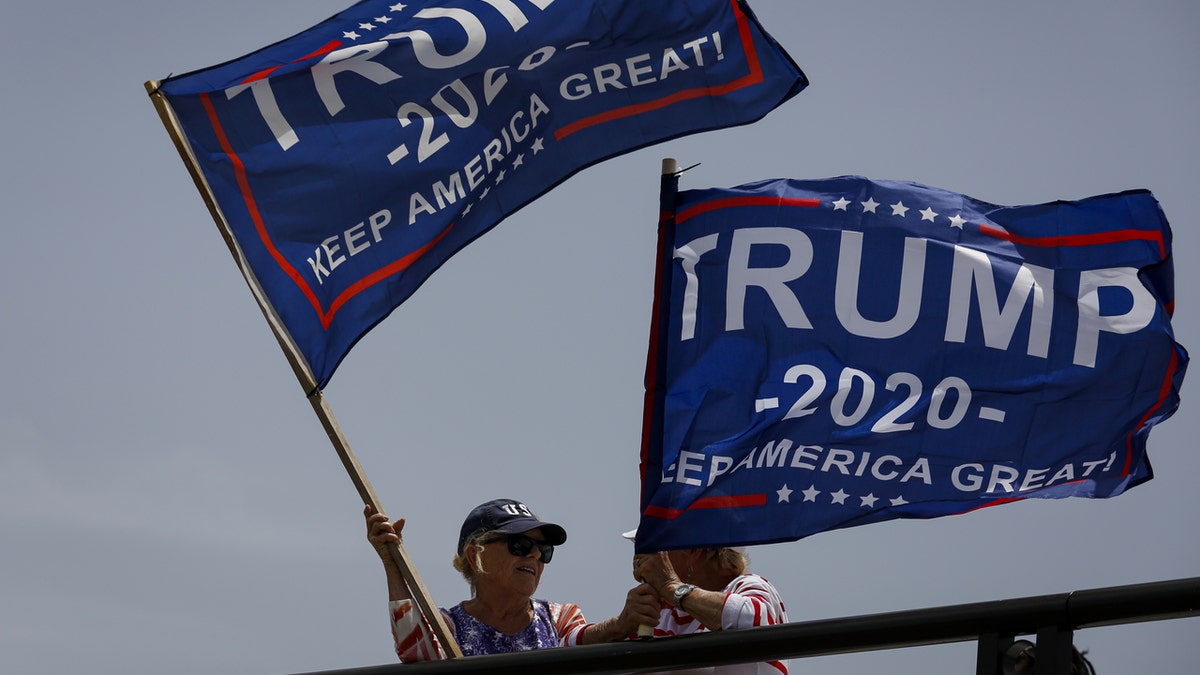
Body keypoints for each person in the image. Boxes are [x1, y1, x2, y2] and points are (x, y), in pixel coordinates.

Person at [365, 498, 659, 661]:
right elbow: (414, 650)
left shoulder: (560, 617)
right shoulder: (446, 626)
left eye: (543, 550)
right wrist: (392, 565)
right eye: (519, 545)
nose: (534, 556)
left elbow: (577, 642)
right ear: (474, 554)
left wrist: (621, 626)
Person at [628, 530, 790, 675]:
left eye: (656, 550)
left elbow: (750, 619)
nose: (642, 560)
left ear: (693, 551)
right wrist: (617, 627)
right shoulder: (659, 614)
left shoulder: (748, 586)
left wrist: (671, 588)